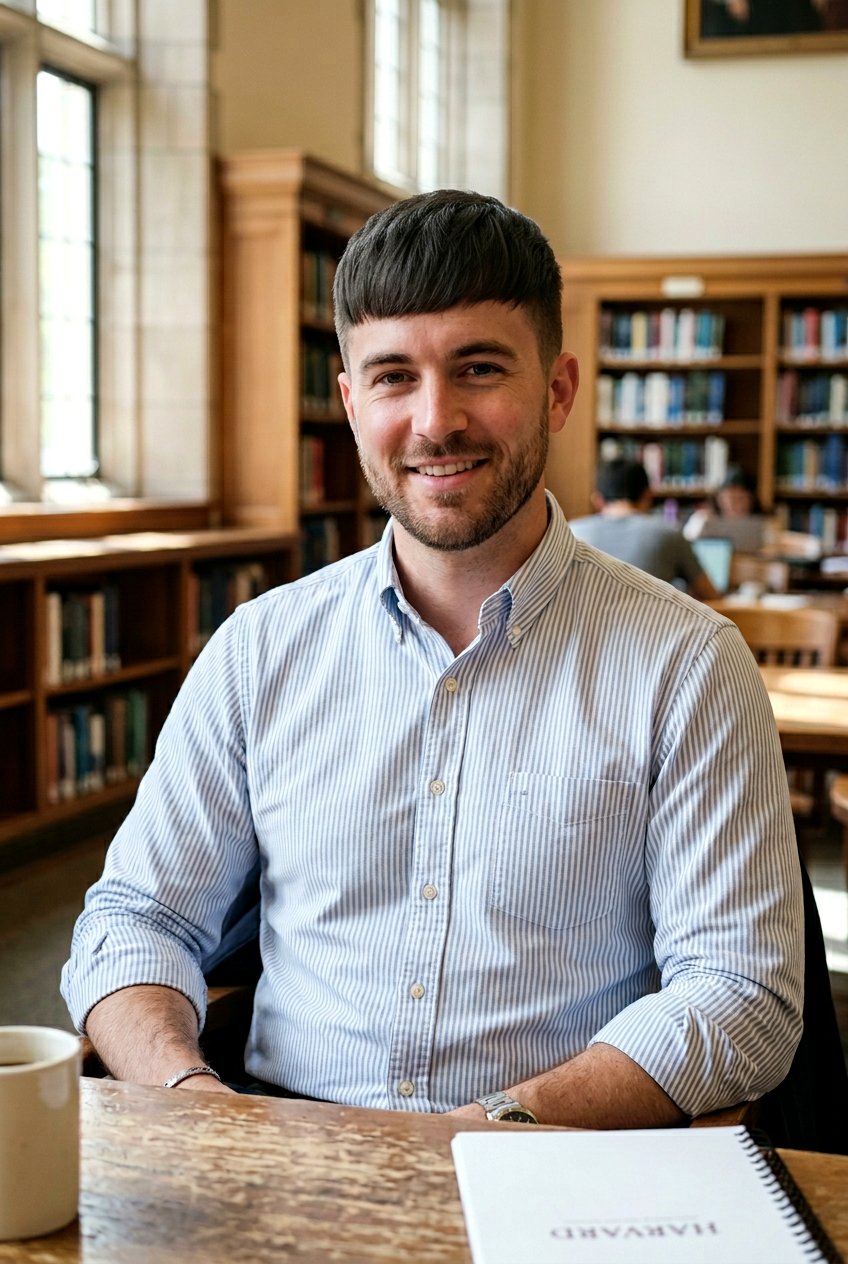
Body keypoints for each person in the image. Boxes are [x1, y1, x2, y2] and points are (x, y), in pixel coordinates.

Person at [61, 189, 803, 1130]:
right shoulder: (259, 652)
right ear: (349, 400)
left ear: (560, 389)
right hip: (286, 1151)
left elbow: (742, 993)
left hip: (558, 1160)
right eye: (392, 377)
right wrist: (198, 1106)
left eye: (479, 368)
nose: (434, 419)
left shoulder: (688, 666)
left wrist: (484, 1136)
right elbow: (133, 921)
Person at [569, 458, 719, 600]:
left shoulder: (572, 531)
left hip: (585, 626)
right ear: (648, 495)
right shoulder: (669, 532)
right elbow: (708, 594)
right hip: (653, 625)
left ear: (597, 500)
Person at [683, 465, 772, 553]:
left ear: (752, 500)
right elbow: (685, 544)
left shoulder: (766, 524)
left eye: (741, 498)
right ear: (719, 500)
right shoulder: (702, 519)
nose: (736, 505)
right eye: (730, 499)